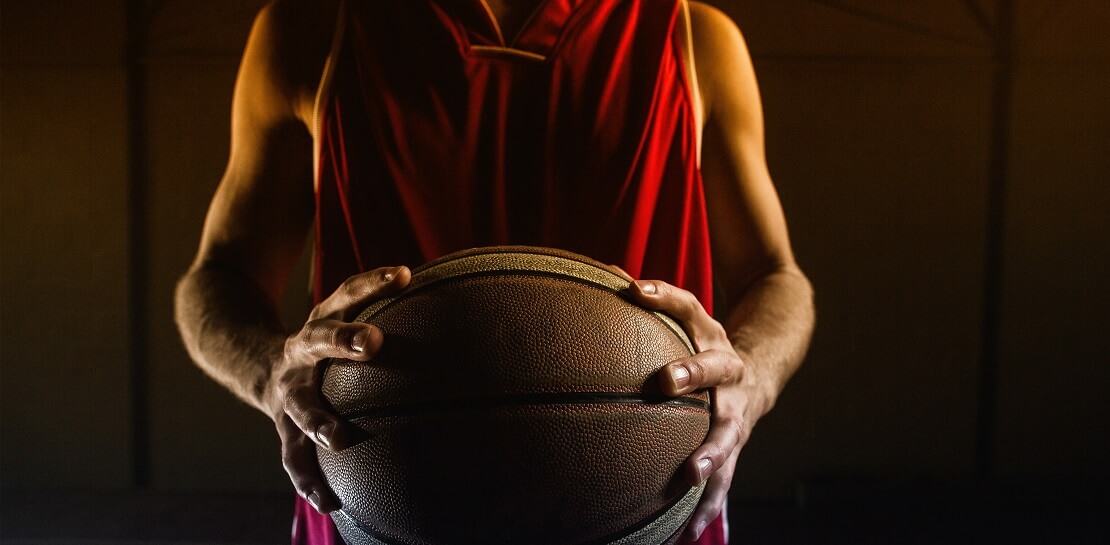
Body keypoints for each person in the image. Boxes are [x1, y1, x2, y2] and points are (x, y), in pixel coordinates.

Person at [174, 0, 814, 543]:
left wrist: (750, 375)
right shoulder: (315, 29)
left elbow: (774, 275)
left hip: (643, 506)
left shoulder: (691, 36)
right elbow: (220, 275)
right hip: (384, 497)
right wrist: (270, 376)